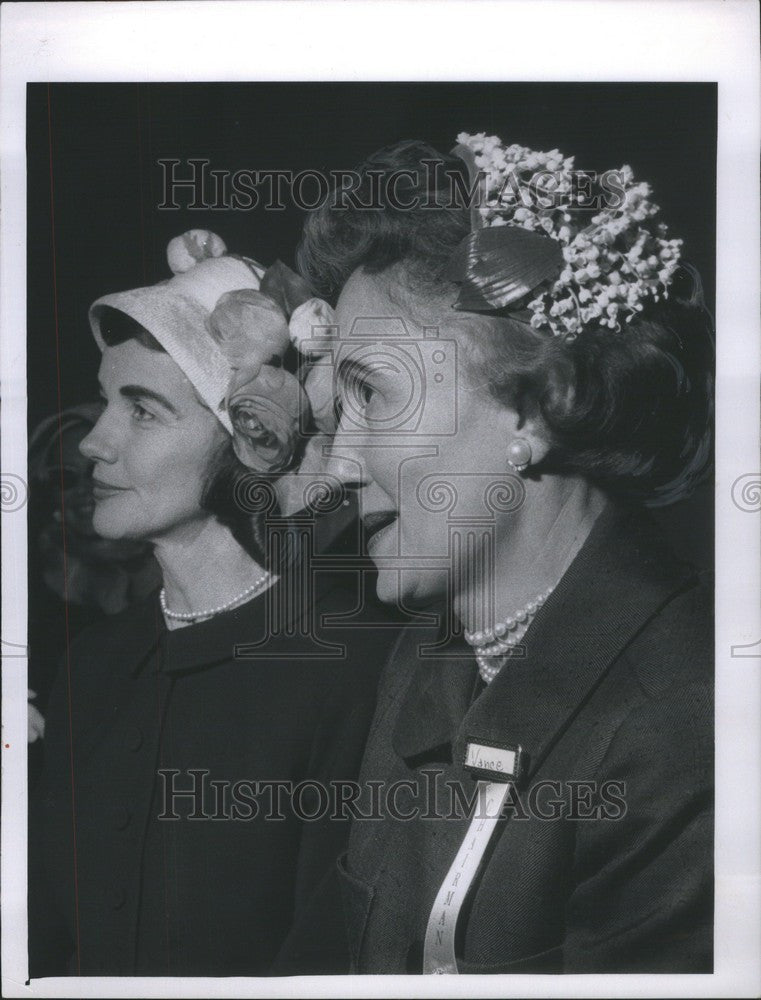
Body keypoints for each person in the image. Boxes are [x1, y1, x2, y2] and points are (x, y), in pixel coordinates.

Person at [293, 135, 714, 973]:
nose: (339, 467)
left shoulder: (688, 727)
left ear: (532, 411)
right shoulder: (427, 663)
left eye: (372, 392)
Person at [29, 230, 397, 977]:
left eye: (142, 411)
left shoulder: (353, 667)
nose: (94, 444)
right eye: (105, 404)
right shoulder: (91, 667)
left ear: (245, 441)